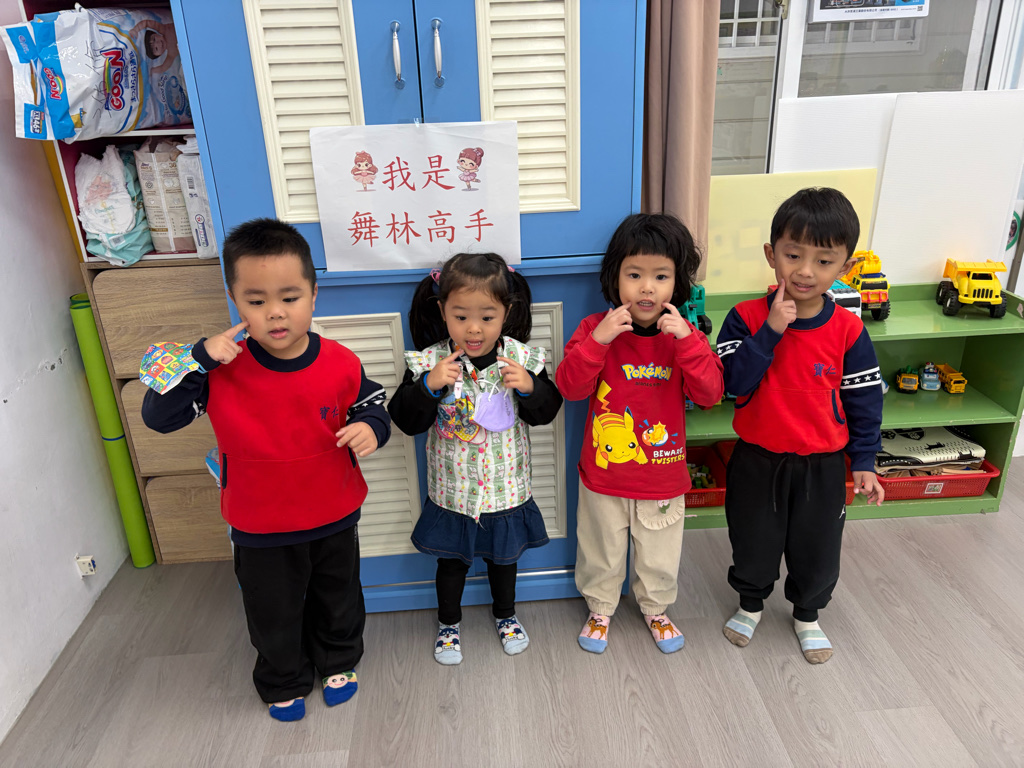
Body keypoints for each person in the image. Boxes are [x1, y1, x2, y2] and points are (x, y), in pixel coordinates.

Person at [141, 218, 390, 721]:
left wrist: (372, 428)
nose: (275, 312)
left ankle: (338, 660)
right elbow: (159, 418)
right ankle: (282, 678)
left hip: (335, 512)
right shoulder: (218, 370)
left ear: (313, 296)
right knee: (271, 609)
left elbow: (372, 406)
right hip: (259, 523)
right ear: (234, 300)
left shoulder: (341, 361)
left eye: (290, 297)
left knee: (338, 597)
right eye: (256, 301)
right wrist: (198, 358)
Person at [715, 187, 884, 664]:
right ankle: (750, 604)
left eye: (824, 261)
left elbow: (864, 399)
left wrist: (865, 460)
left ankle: (807, 614)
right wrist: (770, 331)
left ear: (846, 266)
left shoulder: (849, 329)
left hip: (823, 464)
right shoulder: (745, 317)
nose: (806, 271)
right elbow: (731, 383)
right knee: (753, 539)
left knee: (818, 546)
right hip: (757, 458)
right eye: (793, 255)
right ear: (772, 254)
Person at [556, 213, 724, 654]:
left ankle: (656, 609)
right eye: (634, 275)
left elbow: (710, 394)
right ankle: (600, 608)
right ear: (615, 277)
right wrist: (599, 341)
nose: (647, 288)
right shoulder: (595, 329)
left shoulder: (685, 336)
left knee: (659, 552)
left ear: (677, 282)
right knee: (600, 549)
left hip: (662, 475)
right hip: (604, 473)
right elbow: (570, 387)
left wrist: (687, 342)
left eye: (661, 276)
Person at [388, 252, 562, 665]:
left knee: (505, 561)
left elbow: (547, 412)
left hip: (506, 491)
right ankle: (448, 623)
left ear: (506, 313)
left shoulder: (522, 359)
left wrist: (530, 387)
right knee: (451, 565)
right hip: (454, 494)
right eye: (461, 316)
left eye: (487, 316)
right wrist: (428, 387)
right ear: (442, 311)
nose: (474, 328)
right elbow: (405, 420)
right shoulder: (430, 362)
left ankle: (506, 615)